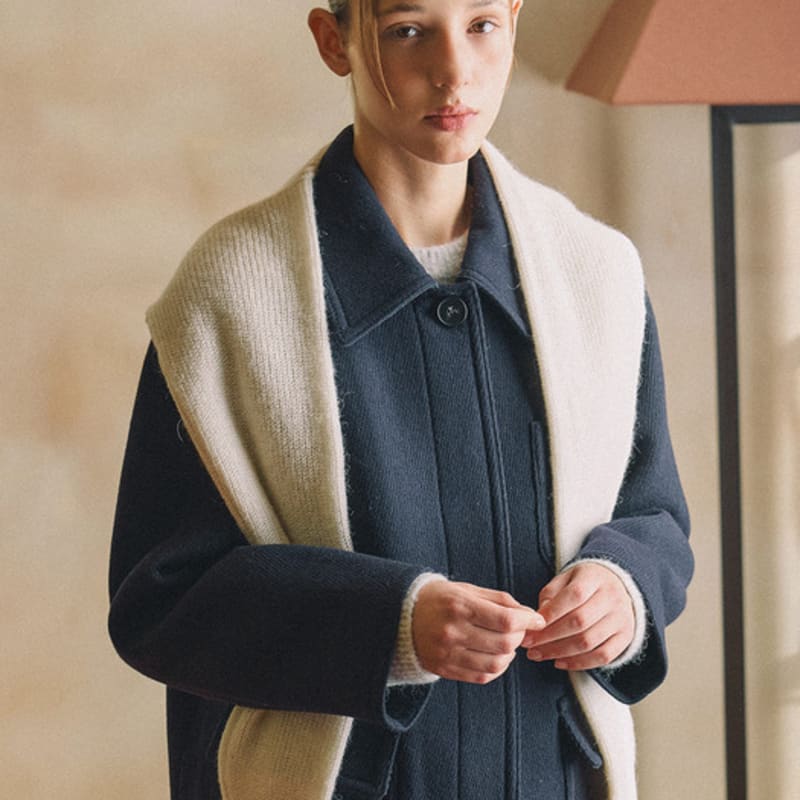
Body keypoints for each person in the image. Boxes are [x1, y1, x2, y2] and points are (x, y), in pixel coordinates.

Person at [108, 1, 694, 798]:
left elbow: (654, 517)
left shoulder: (599, 274)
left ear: (515, 21)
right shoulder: (226, 300)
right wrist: (391, 625)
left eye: (481, 24)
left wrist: (623, 590)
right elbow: (161, 599)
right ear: (334, 41)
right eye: (407, 30)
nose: (454, 72)